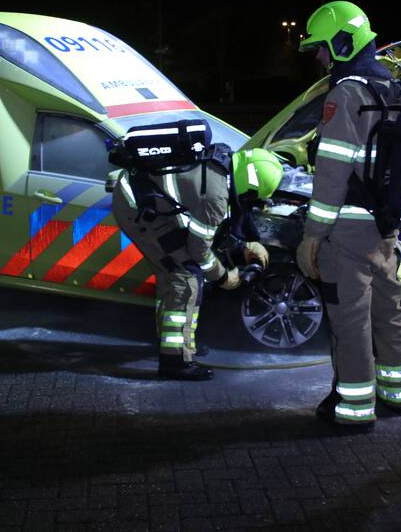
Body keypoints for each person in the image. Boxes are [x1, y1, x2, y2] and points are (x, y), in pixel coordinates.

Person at [295, 0, 401, 431]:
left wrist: (312, 236)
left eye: (321, 47)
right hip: (385, 225)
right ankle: (398, 394)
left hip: (347, 230)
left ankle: (352, 408)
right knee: (388, 311)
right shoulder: (395, 89)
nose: (318, 57)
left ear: (341, 42)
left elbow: (331, 173)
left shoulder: (346, 92)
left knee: (349, 319)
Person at [112, 132, 283, 381]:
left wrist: (244, 244)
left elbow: (209, 229)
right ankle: (175, 361)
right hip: (136, 209)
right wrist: (225, 277)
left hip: (143, 200)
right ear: (251, 184)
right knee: (186, 278)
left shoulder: (224, 161)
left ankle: (174, 343)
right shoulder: (216, 196)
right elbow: (199, 251)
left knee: (172, 274)